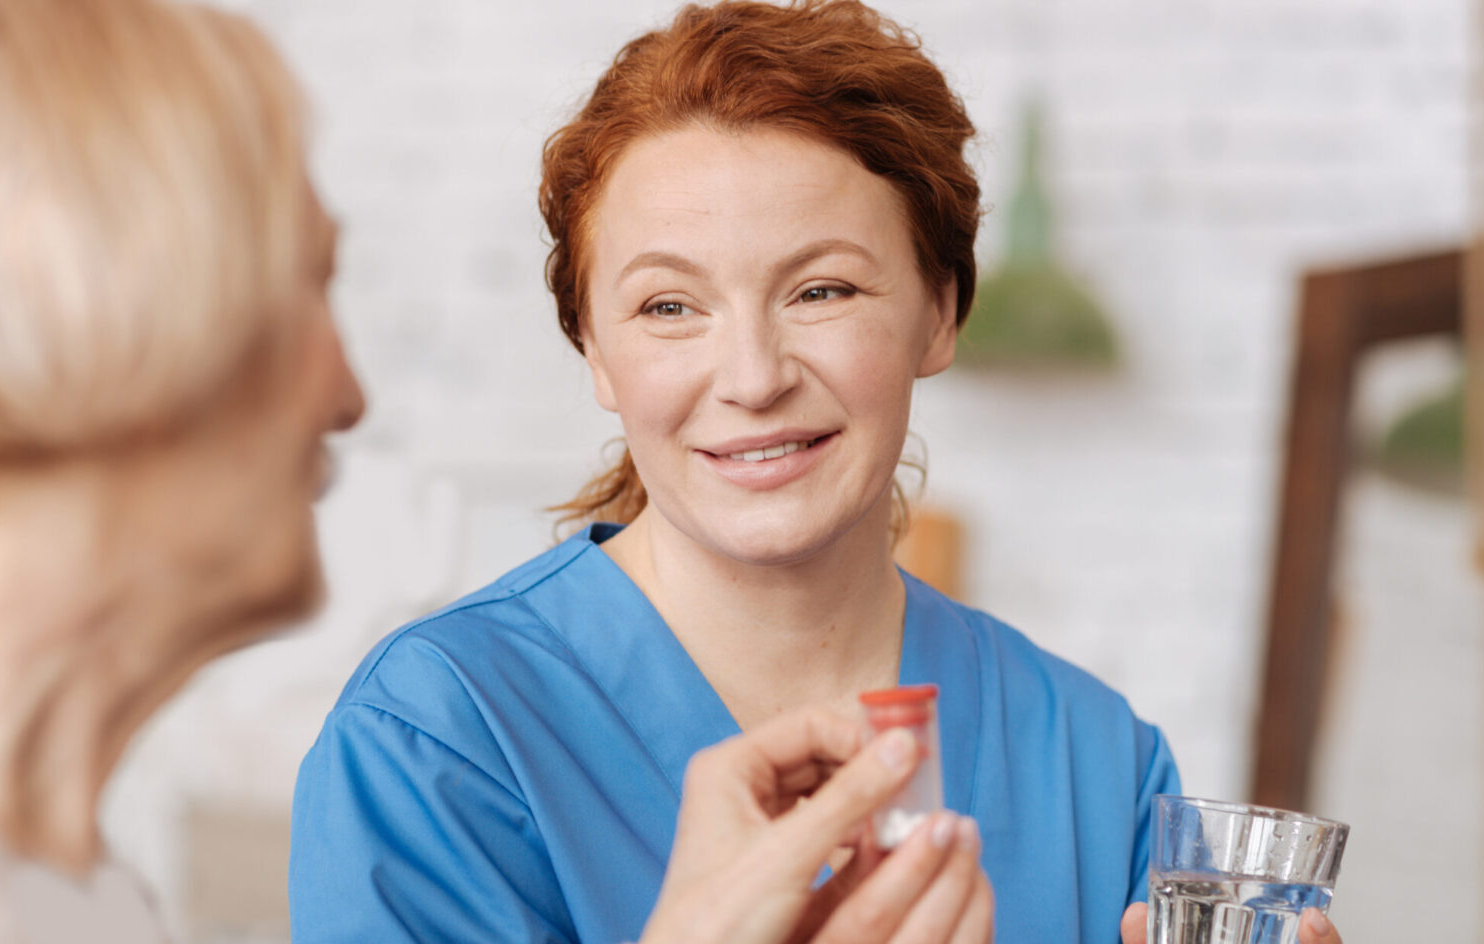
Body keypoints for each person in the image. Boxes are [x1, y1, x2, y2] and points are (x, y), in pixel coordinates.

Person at [0, 1, 989, 942]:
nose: (349, 391)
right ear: (95, 325)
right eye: (303, 286)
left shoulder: (41, 874)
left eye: (822, 291)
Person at [289, 3, 1346, 944]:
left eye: (822, 291)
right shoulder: (438, 741)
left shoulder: (1094, 761)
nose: (753, 377)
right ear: (596, 353)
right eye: (669, 306)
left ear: (940, 311)